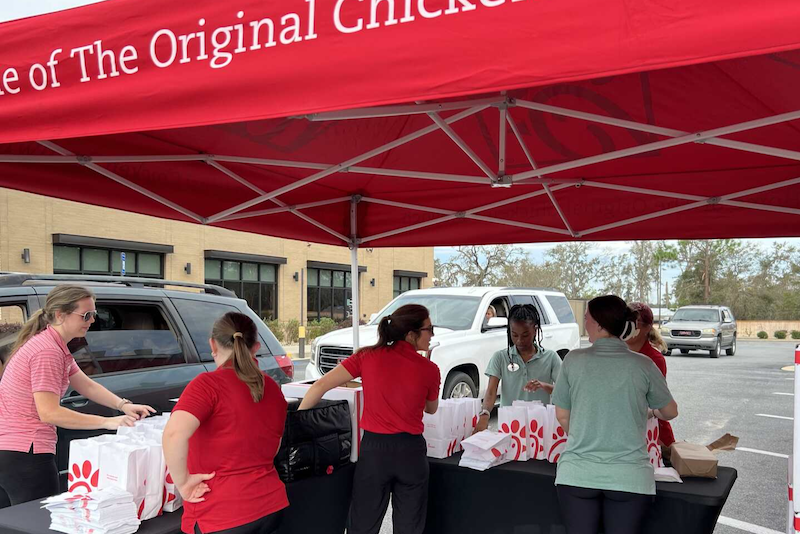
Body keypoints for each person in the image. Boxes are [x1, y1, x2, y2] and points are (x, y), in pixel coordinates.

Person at [0, 285, 153, 508]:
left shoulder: (53, 345)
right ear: (60, 315)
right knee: (37, 522)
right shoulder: (47, 351)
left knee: (12, 521)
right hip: (26, 452)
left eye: (94, 314)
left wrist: (123, 405)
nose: (92, 320)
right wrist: (108, 421)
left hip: (12, 449)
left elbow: (86, 384)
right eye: (86, 315)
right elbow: (49, 412)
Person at [298, 304, 440, 534]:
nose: (432, 334)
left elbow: (321, 384)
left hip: (374, 451)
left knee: (363, 525)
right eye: (429, 328)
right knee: (409, 527)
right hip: (411, 452)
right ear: (411, 334)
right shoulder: (429, 368)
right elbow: (431, 409)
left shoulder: (367, 356)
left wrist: (298, 420)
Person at [551, 295, 678, 534]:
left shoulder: (573, 360)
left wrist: (584, 433)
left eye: (586, 318)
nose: (584, 322)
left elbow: (562, 416)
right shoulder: (643, 364)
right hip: (629, 477)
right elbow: (670, 411)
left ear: (599, 324)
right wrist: (650, 411)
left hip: (578, 474)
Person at [163, 312, 288, 534]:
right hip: (270, 505)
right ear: (256, 347)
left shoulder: (207, 384)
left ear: (213, 344)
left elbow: (174, 434)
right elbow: (274, 446)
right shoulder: (271, 387)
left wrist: (183, 483)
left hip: (221, 513)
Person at [475, 304, 561, 432]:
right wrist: (485, 414)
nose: (519, 340)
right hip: (510, 427)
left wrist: (544, 386)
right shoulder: (501, 357)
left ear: (535, 330)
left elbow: (564, 391)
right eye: (514, 335)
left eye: (525, 335)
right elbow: (491, 391)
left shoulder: (551, 357)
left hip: (539, 428)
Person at [626, 302, 675, 448]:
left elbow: (658, 401)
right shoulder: (614, 354)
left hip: (653, 433)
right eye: (624, 322)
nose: (628, 327)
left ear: (647, 328)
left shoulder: (654, 359)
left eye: (635, 323)